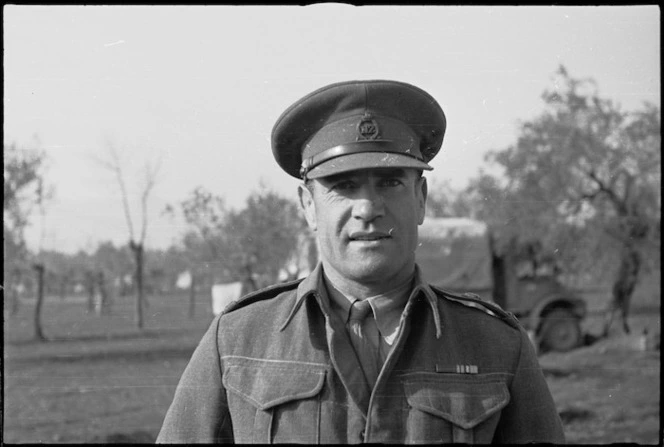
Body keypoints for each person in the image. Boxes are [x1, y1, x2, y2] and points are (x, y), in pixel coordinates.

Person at [156, 79, 565, 444]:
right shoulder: (237, 340)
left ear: (420, 200)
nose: (368, 207)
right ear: (308, 206)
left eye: (390, 182)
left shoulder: (498, 345)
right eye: (343, 186)